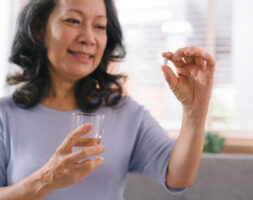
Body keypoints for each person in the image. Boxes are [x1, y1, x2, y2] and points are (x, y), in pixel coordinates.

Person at [0, 0, 216, 199]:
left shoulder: (127, 113)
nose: (88, 37)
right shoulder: (5, 115)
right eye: (73, 21)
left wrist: (195, 110)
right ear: (39, 29)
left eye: (100, 26)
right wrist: (45, 180)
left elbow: (178, 176)